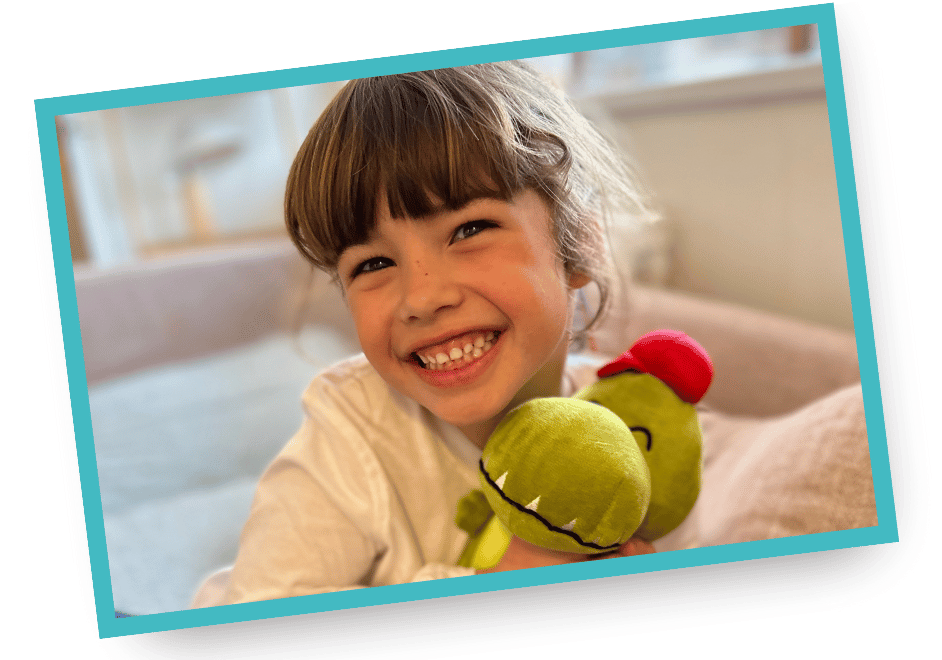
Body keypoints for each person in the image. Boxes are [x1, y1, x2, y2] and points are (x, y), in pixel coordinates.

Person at [220, 60, 666, 606]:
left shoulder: (624, 412)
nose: (422, 297)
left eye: (469, 229)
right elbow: (257, 618)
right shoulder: (349, 431)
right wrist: (495, 589)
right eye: (372, 264)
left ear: (581, 245)